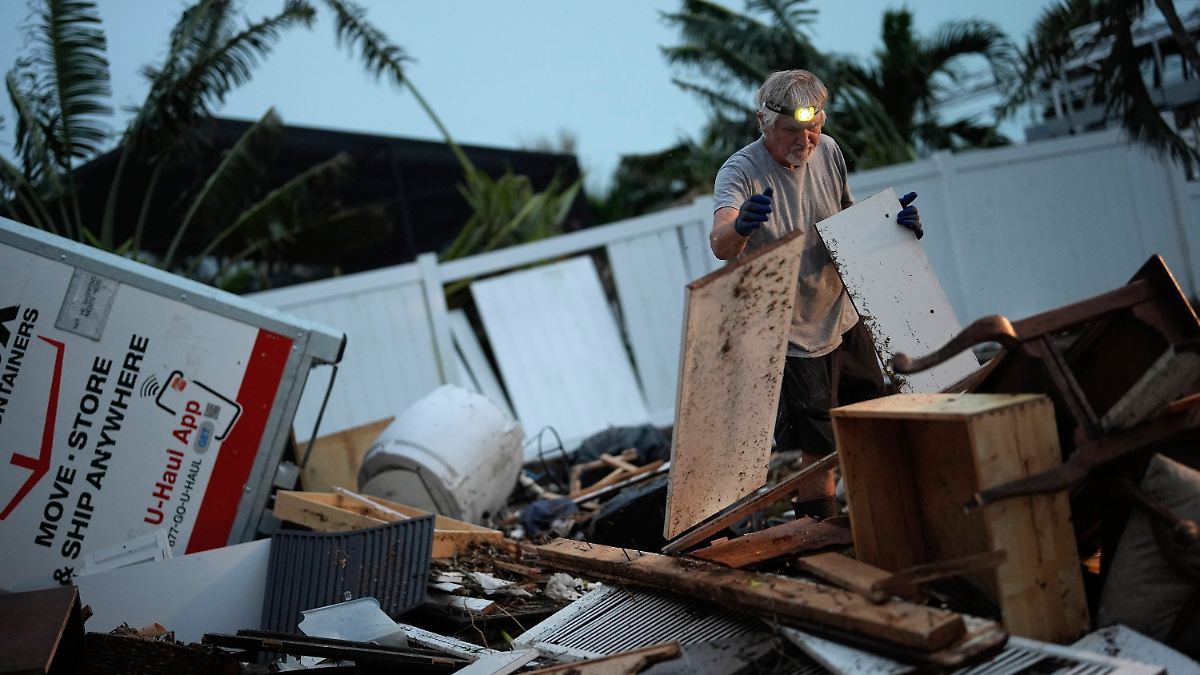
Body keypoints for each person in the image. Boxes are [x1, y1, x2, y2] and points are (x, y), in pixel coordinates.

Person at [710, 69, 923, 462]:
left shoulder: (828, 150)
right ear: (763, 121)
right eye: (791, 130)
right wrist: (740, 226)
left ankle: (879, 517)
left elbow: (848, 223)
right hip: (791, 341)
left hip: (843, 319)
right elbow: (721, 243)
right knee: (817, 457)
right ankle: (817, 525)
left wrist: (893, 228)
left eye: (814, 128)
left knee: (875, 427)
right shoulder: (740, 172)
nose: (805, 140)